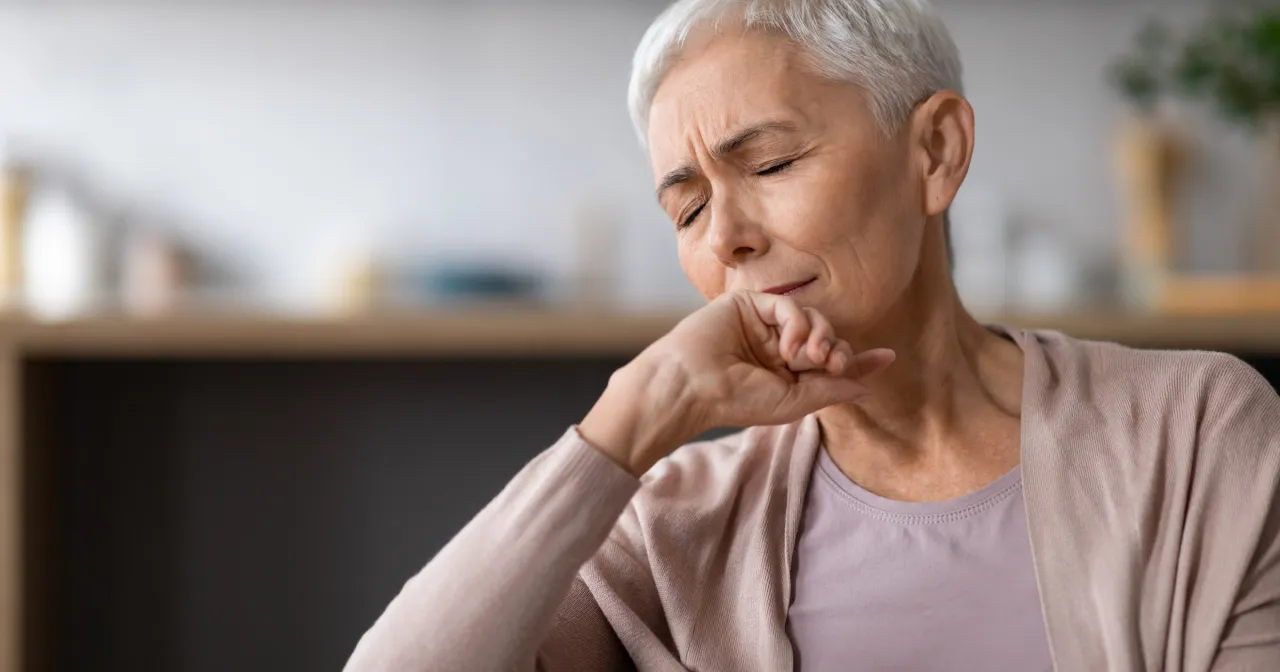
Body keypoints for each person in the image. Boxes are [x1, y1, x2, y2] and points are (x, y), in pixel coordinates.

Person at [345, 0, 1280, 669]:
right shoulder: (676, 528)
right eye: (687, 210)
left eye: (772, 163)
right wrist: (629, 417)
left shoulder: (1194, 432)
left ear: (936, 151)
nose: (726, 236)